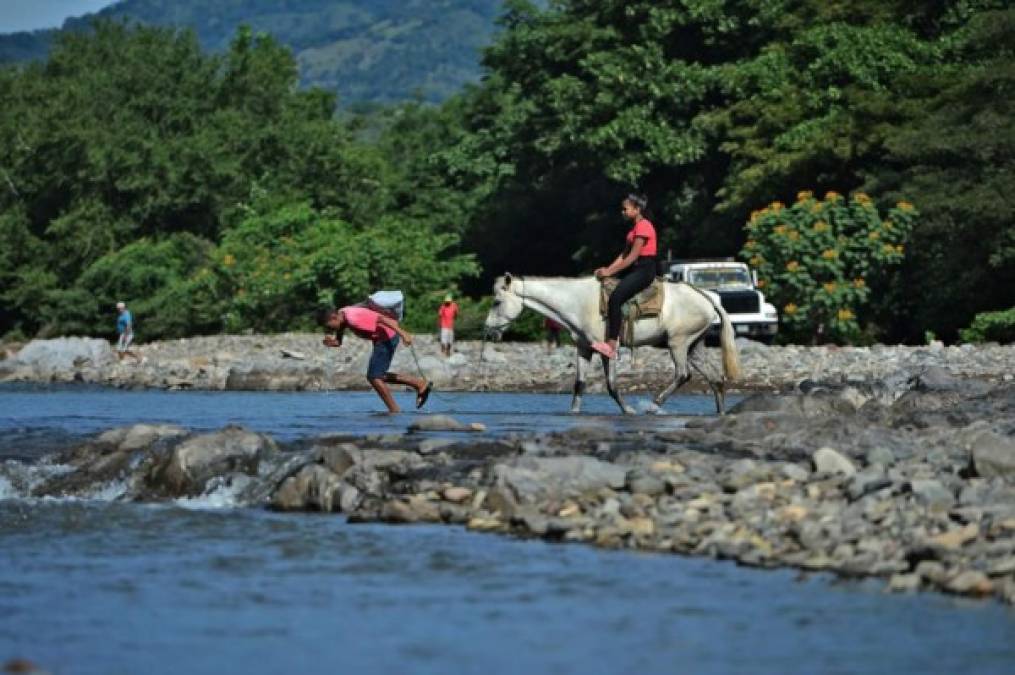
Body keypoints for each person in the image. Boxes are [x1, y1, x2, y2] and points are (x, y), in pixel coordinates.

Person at [319, 305, 431, 413]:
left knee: (374, 377)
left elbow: (381, 319)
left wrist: (403, 333)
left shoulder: (352, 318)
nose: (330, 329)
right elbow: (338, 342)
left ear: (334, 317)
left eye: (329, 326)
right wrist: (332, 342)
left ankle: (395, 410)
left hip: (387, 337)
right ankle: (419, 384)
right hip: (381, 339)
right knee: (377, 375)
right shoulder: (342, 316)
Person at [591, 193, 658, 359]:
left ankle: (612, 345)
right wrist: (607, 269)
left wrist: (610, 272)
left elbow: (633, 257)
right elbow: (623, 254)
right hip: (635, 268)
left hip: (644, 270)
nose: (622, 212)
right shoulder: (634, 228)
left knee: (616, 298)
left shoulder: (644, 226)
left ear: (637, 209)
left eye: (625, 209)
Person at [437, 293, 459, 357]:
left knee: (450, 339)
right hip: (444, 325)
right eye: (446, 301)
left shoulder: (454, 305)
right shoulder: (443, 306)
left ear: (451, 301)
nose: (447, 303)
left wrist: (454, 318)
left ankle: (448, 351)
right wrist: (439, 323)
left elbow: (456, 313)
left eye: (448, 301)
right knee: (444, 339)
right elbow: (440, 315)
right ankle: (443, 350)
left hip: (451, 325)